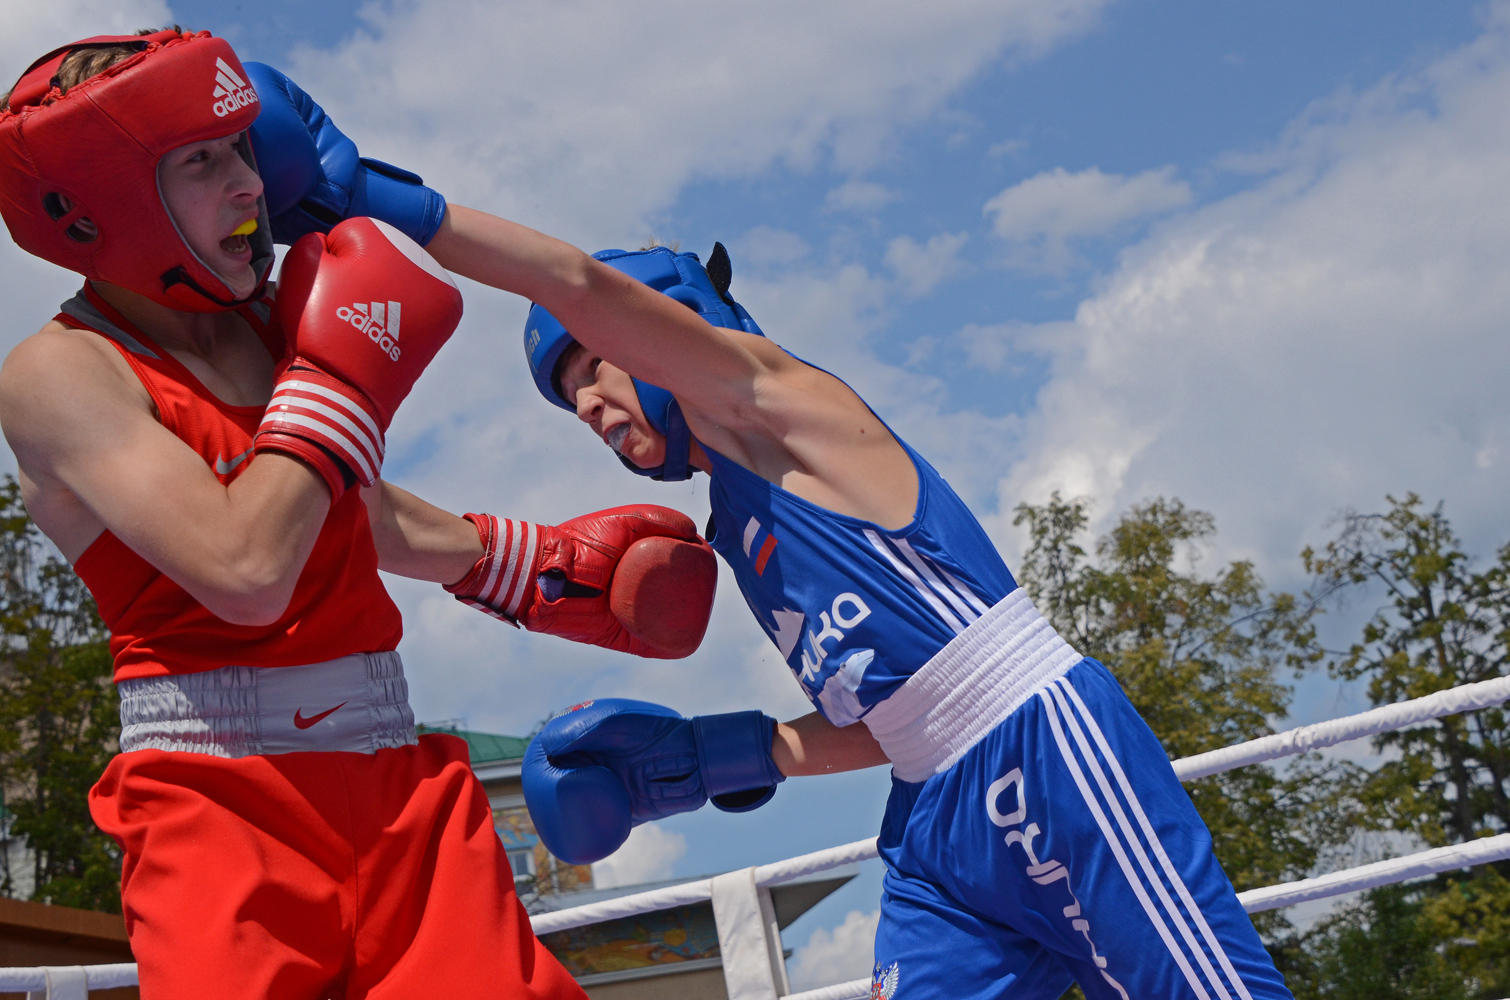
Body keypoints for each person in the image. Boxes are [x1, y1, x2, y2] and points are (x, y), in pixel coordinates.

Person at [0, 29, 719, 999]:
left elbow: (333, 506)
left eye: (243, 148)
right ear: (105, 202)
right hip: (219, 812)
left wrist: (525, 563)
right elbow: (246, 565)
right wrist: (338, 377)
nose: (249, 185)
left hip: (398, 795)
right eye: (202, 161)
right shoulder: (61, 375)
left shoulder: (269, 323)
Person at [515, 243, 1299, 999]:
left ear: (661, 322)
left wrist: (418, 215)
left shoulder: (799, 419)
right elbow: (893, 715)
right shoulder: (740, 533)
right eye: (568, 395)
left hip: (1039, 755)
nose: (584, 403)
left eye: (592, 363)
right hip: (934, 818)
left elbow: (577, 280)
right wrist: (714, 756)